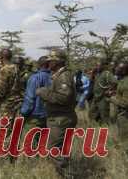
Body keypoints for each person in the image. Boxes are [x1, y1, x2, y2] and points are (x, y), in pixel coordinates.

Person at [36, 49, 77, 177]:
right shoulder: (58, 74)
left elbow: (64, 97)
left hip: (61, 119)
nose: (48, 63)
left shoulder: (64, 76)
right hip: (60, 117)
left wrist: (44, 92)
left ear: (57, 61)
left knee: (53, 150)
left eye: (51, 61)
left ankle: (69, 175)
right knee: (62, 150)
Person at [20, 56, 52, 138]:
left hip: (35, 116)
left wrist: (23, 112)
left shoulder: (35, 77)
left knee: (30, 142)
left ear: (39, 64)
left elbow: (30, 98)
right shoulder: (54, 77)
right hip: (49, 115)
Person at [108, 62, 128, 154]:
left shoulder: (126, 83)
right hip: (121, 114)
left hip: (125, 115)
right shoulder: (122, 80)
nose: (115, 69)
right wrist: (114, 94)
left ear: (124, 70)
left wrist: (111, 98)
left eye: (118, 68)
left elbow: (125, 104)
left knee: (124, 139)